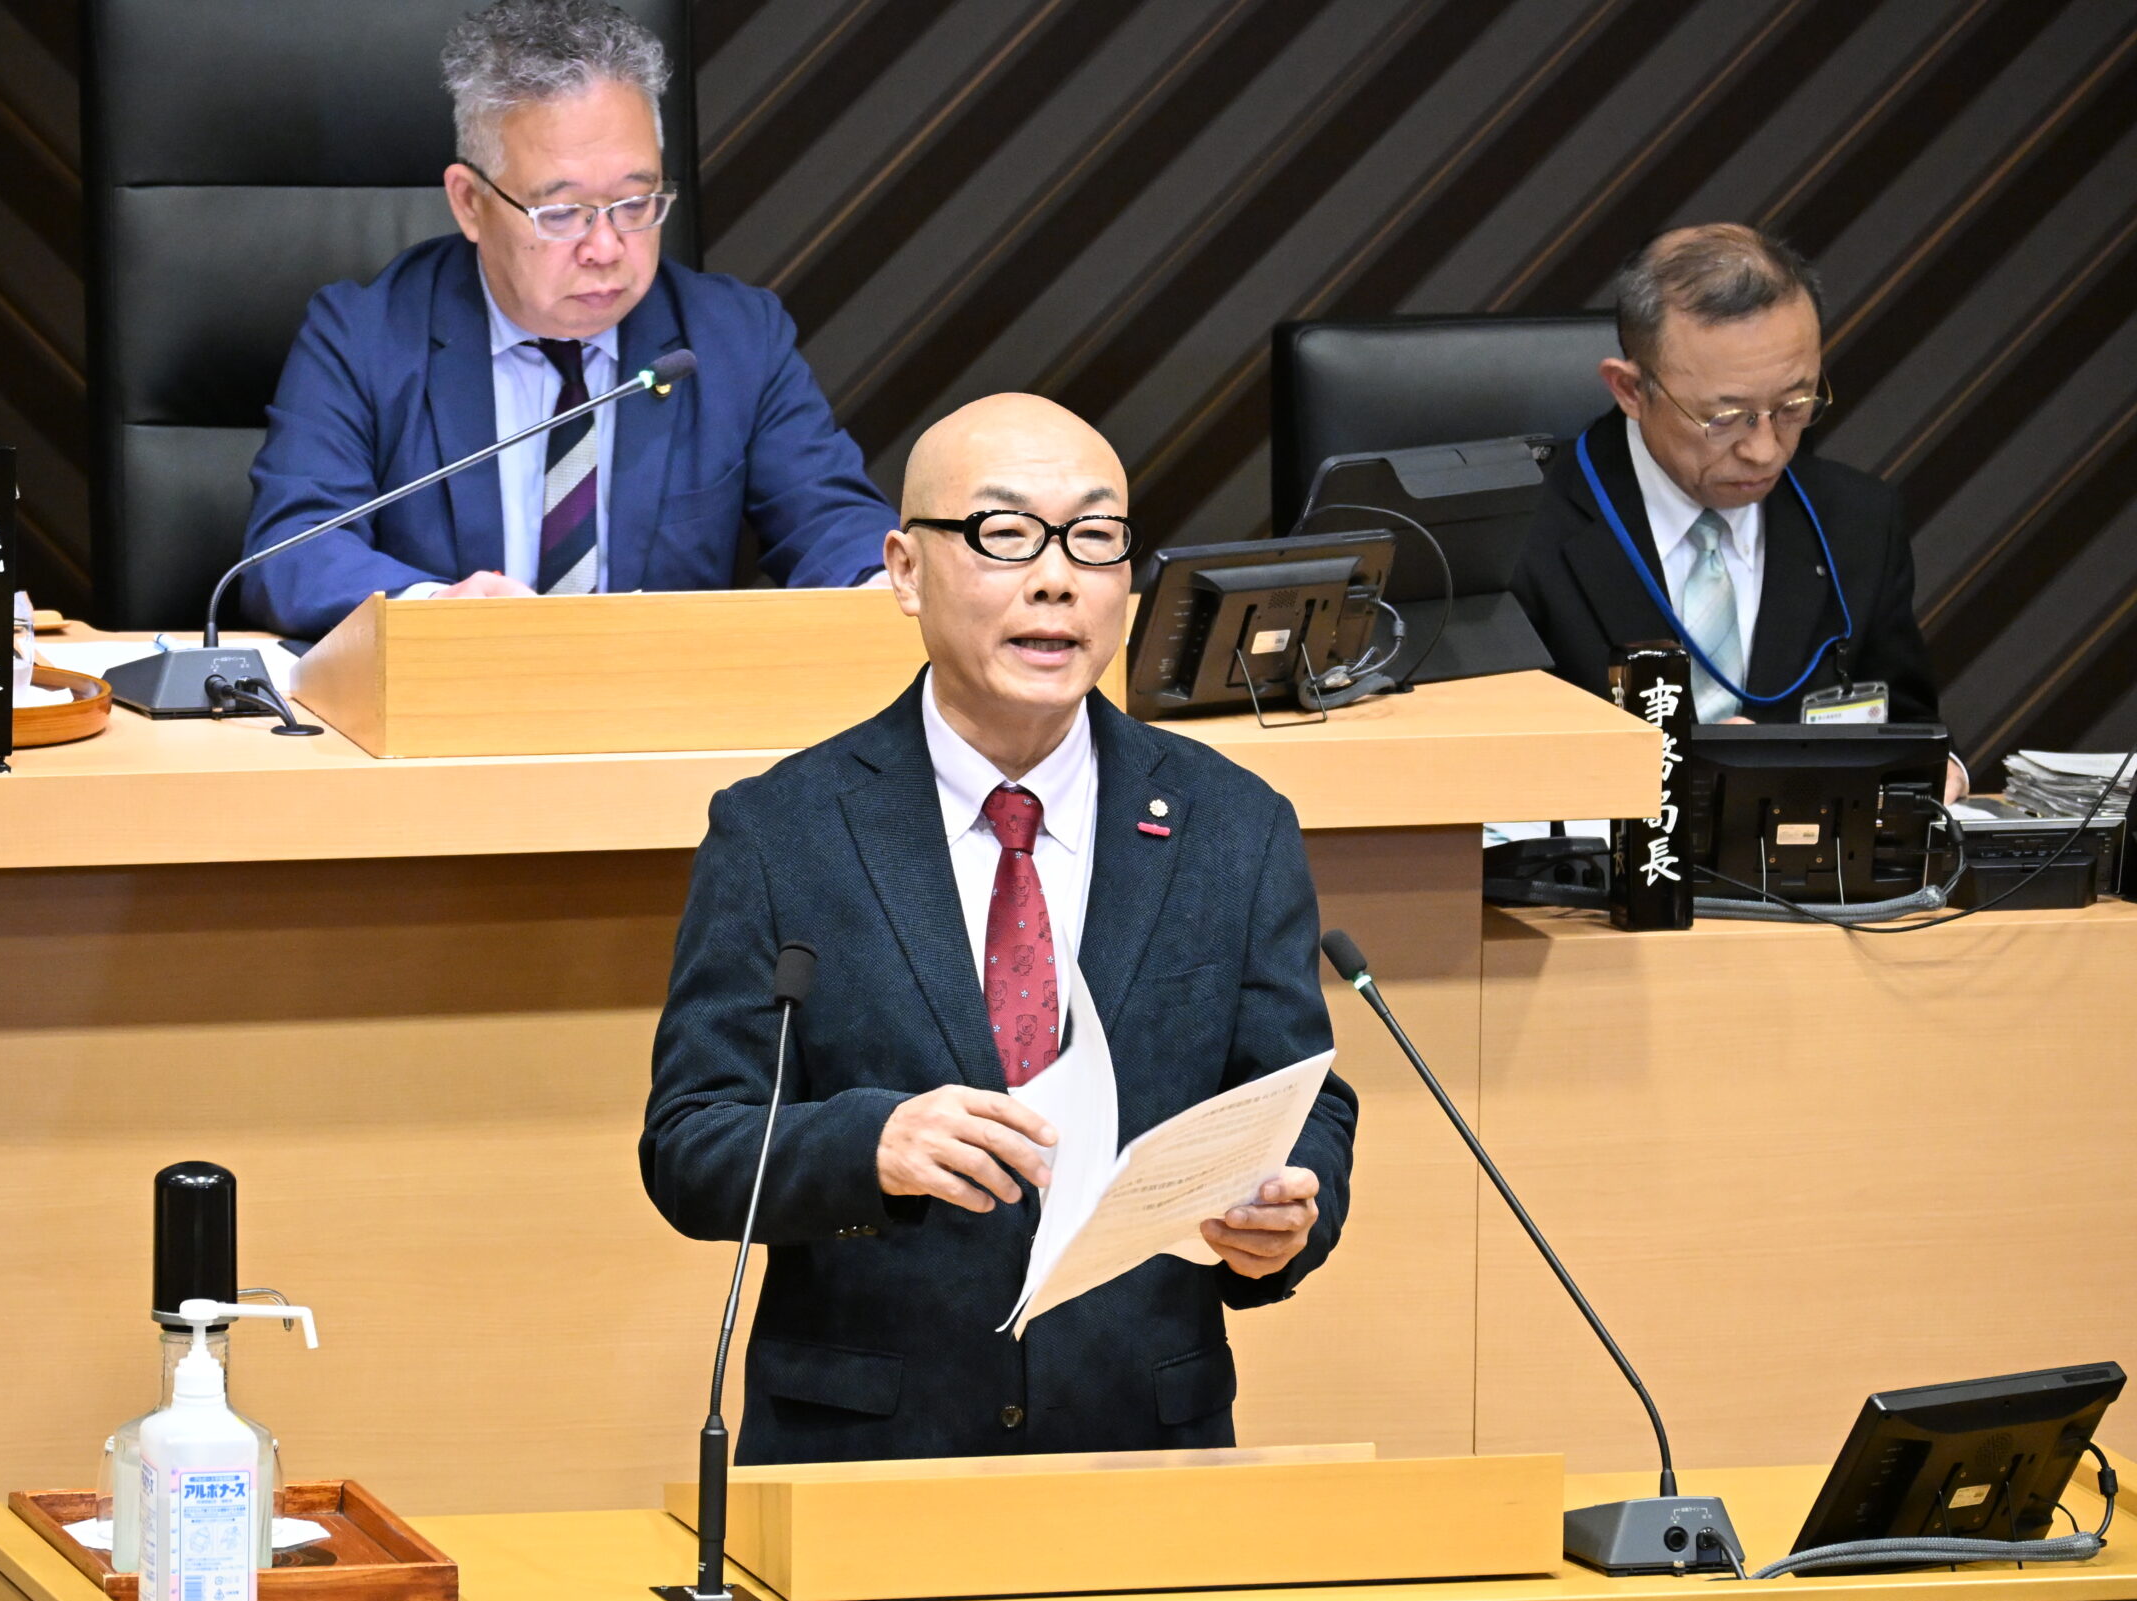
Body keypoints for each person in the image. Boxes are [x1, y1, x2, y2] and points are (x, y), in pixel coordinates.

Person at [640, 394, 1358, 1465]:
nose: (1056, 577)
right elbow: (692, 1143)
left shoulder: (1231, 825)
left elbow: (1301, 1101)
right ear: (903, 568)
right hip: (862, 1451)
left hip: (1144, 1441)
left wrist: (1289, 1214)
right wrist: (868, 1144)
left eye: (1095, 538)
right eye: (1004, 534)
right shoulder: (783, 831)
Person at [240, 0, 896, 639]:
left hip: (662, 725)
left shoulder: (736, 340)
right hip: (449, 718)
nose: (607, 248)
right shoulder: (365, 338)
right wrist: (435, 609)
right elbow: (290, 555)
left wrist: (879, 585)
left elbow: (834, 523)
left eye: (635, 203)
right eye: (562, 213)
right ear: (470, 204)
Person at [1514, 224, 1963, 796]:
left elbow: (1909, 725)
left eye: (1794, 405)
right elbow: (1479, 762)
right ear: (1630, 390)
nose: (1765, 449)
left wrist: (1933, 770)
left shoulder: (1857, 520)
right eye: (1725, 418)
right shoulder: (1519, 535)